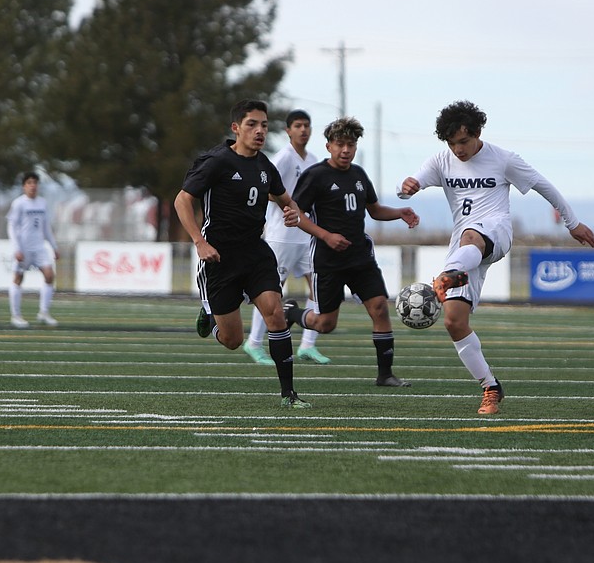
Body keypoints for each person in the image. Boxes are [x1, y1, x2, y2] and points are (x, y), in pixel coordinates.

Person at [398, 101, 594, 415]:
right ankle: (490, 387)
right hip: (463, 250)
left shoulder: (503, 160)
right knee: (453, 322)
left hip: (496, 232)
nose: (458, 149)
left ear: (477, 133)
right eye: (452, 144)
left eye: (463, 142)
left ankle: (447, 276)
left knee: (472, 236)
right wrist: (406, 187)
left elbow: (545, 186)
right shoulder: (441, 160)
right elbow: (412, 182)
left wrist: (573, 224)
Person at [174, 99, 311, 408]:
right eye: (252, 124)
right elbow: (182, 201)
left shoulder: (266, 167)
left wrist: (292, 212)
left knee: (275, 315)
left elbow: (286, 199)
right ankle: (211, 317)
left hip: (256, 253)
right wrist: (199, 242)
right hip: (219, 258)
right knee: (233, 341)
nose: (259, 130)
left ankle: (289, 394)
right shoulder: (216, 161)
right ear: (236, 128)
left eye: (264, 125)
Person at [283, 117, 420, 387]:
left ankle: (385, 374)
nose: (346, 150)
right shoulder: (316, 175)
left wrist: (399, 213)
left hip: (360, 258)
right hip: (327, 260)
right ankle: (292, 314)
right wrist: (326, 236)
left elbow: (374, 210)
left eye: (351, 144)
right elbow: (296, 214)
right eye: (340, 144)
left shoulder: (358, 175)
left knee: (380, 307)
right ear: (328, 146)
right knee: (325, 324)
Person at [243, 109, 331, 367]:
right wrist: (287, 203)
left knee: (318, 285)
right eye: (298, 126)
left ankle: (308, 345)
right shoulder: (282, 158)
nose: (303, 130)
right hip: (282, 236)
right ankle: (255, 343)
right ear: (288, 131)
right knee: (270, 291)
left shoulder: (314, 159)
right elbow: (267, 189)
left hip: (306, 235)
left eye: (307, 125)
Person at [6, 172, 61, 328]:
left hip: (39, 247)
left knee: (49, 275)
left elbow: (46, 227)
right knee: (18, 278)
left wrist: (54, 247)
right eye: (29, 183)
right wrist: (17, 248)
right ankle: (16, 316)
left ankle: (43, 313)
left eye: (35, 183)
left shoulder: (42, 203)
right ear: (24, 186)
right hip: (23, 248)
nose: (33, 186)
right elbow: (11, 227)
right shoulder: (19, 203)